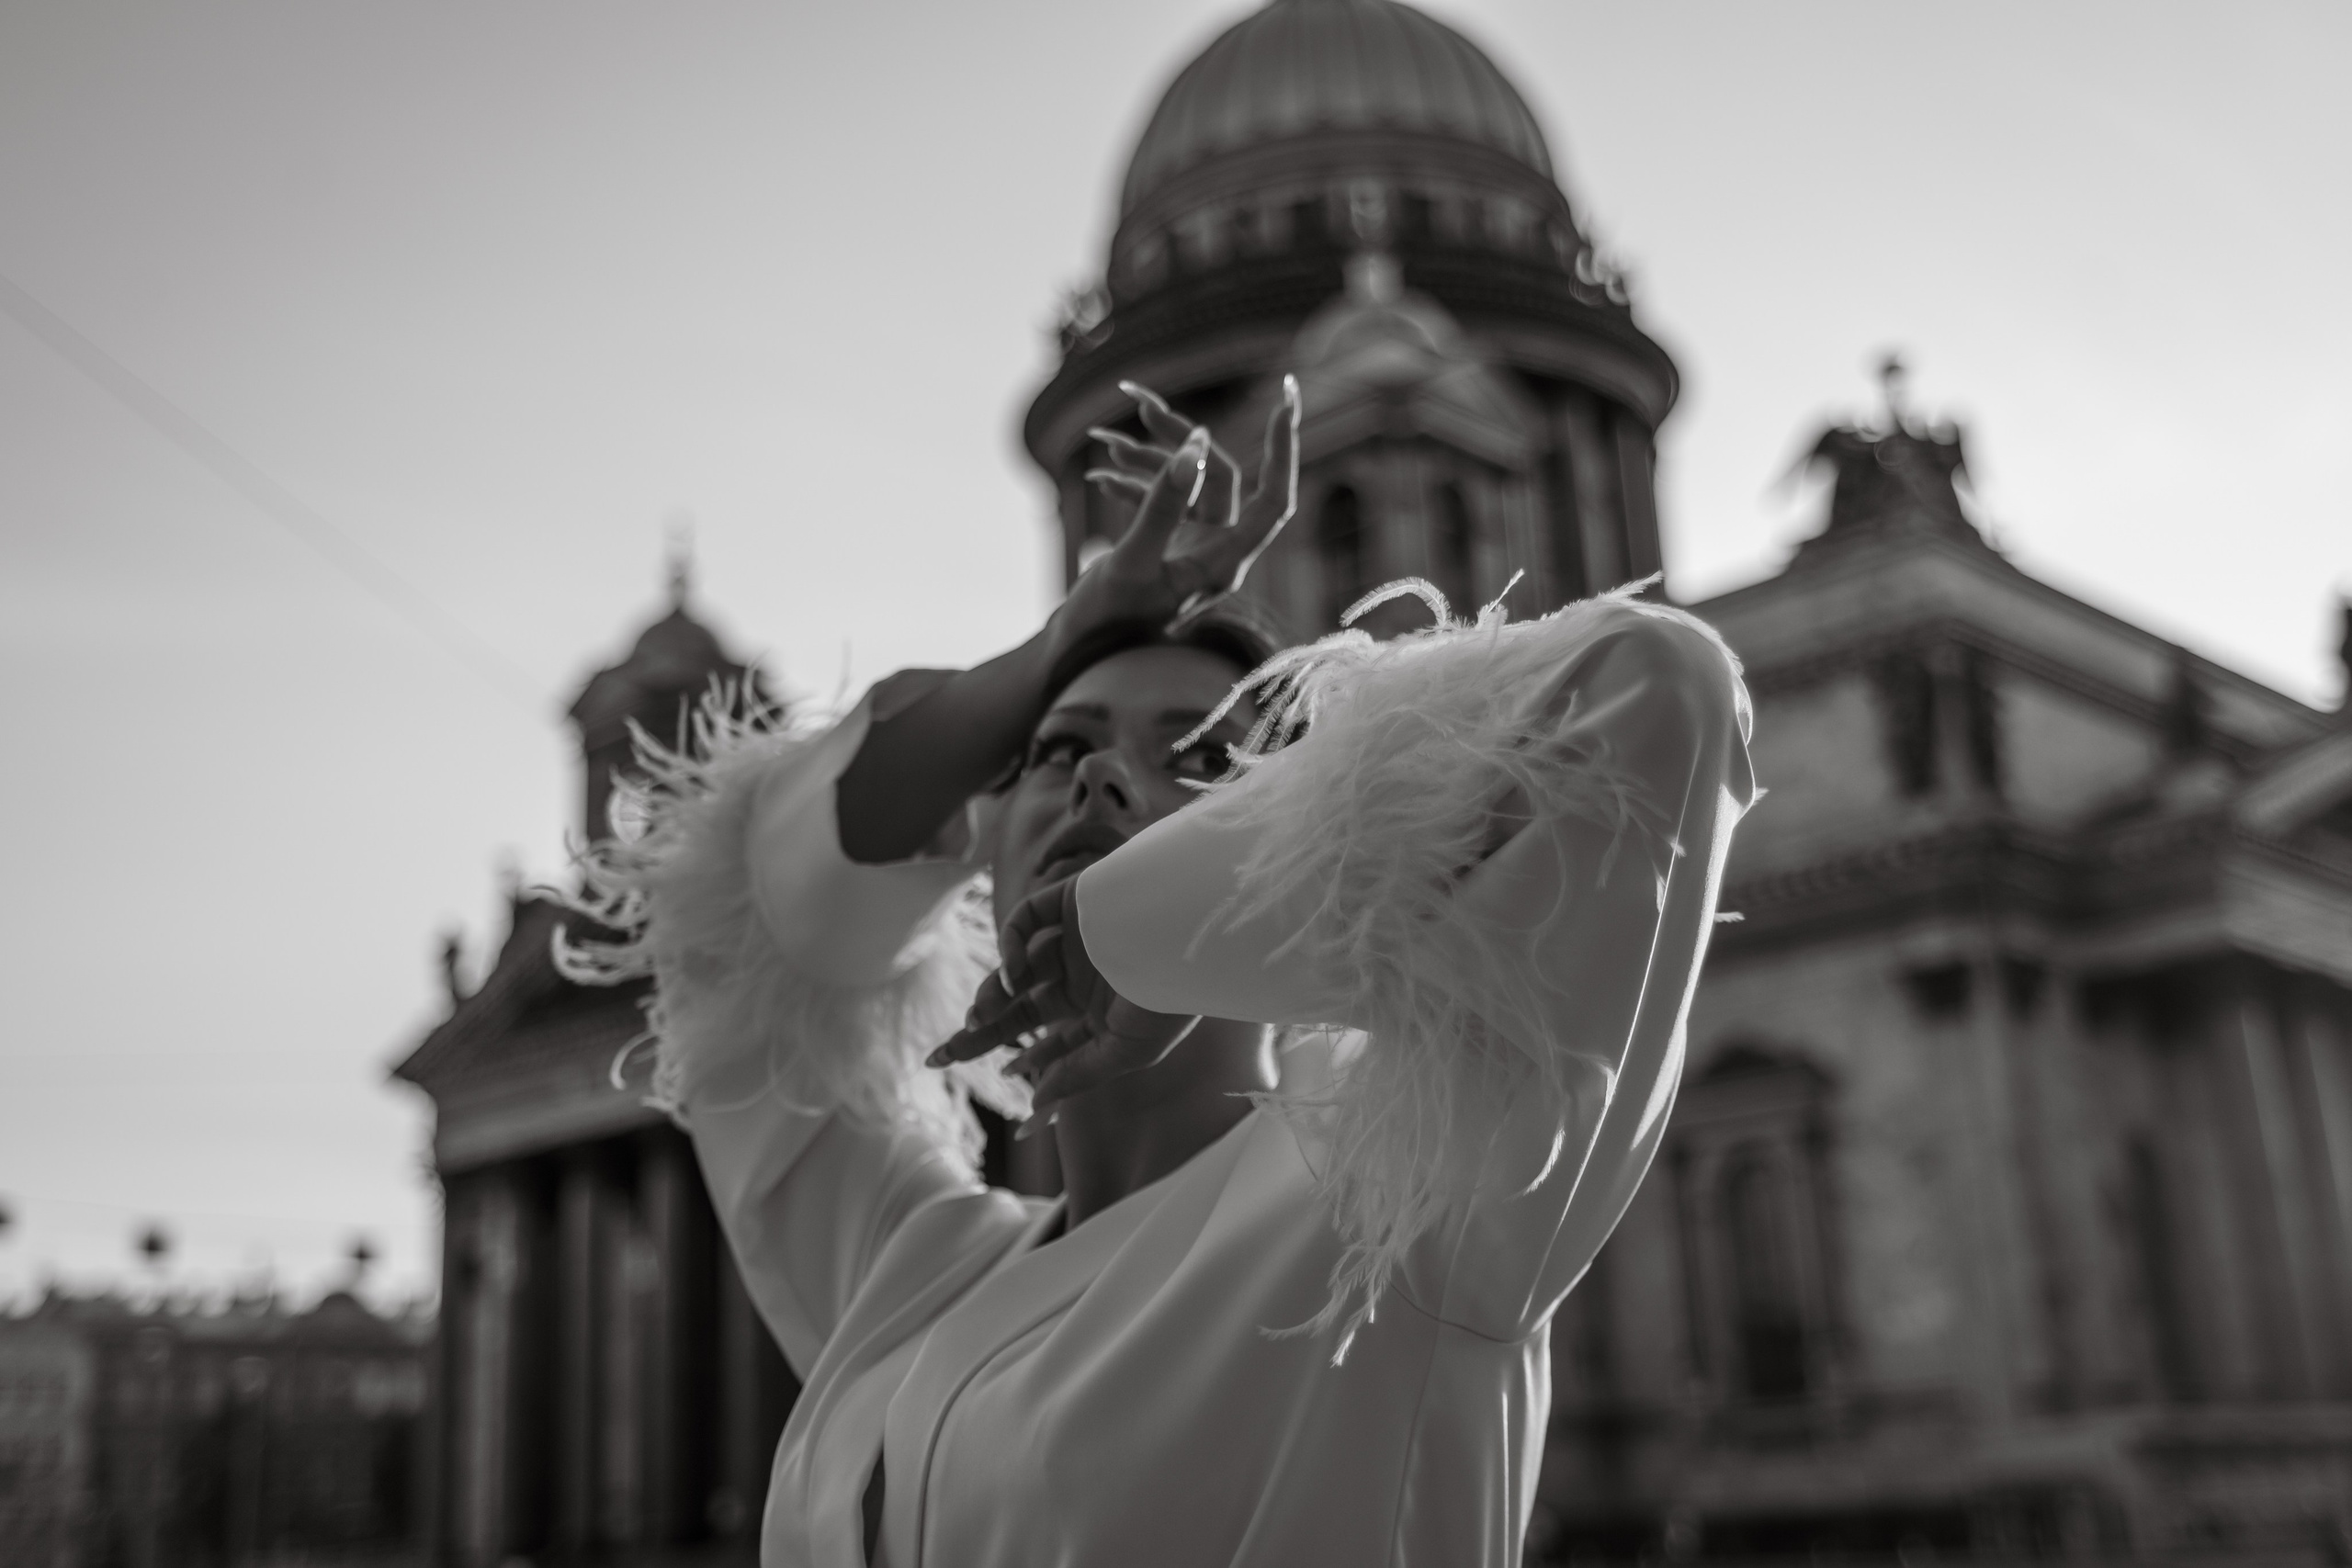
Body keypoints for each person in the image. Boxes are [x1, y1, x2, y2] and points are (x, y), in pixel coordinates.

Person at [564, 378, 1758, 1568]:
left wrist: (1114, 927)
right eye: (1055, 750)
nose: (1096, 781)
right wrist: (1058, 642)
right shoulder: (919, 1273)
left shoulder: (1410, 1195)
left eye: (1199, 753)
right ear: (984, 849)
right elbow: (732, 943)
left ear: (1320, 823)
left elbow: (1656, 690)